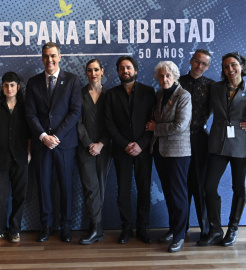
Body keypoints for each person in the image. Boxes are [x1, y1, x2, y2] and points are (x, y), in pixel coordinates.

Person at [25, 42, 82, 242]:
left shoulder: (73, 80)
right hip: (41, 144)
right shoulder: (33, 82)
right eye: (46, 56)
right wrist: (43, 136)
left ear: (60, 57)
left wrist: (56, 137)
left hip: (64, 144)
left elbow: (75, 112)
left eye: (53, 56)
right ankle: (46, 225)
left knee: (66, 186)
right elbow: (30, 113)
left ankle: (66, 226)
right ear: (42, 58)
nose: (49, 60)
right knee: (44, 185)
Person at [197, 52, 246, 247]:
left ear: (241, 66)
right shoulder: (215, 88)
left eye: (233, 65)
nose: (230, 69)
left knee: (238, 188)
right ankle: (215, 229)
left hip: (242, 145)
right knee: (208, 187)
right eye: (226, 66)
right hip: (218, 143)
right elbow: (203, 109)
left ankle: (232, 229)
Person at [105, 56, 155, 244]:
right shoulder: (111, 94)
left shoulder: (149, 92)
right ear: (117, 72)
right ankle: (126, 228)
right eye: (121, 68)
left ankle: (142, 228)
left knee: (144, 190)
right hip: (121, 151)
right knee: (123, 192)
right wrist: (125, 144)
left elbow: (153, 122)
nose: (125, 71)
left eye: (128, 67)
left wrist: (140, 144)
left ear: (135, 70)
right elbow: (109, 123)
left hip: (143, 150)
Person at [146, 61, 192, 252]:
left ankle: (180, 236)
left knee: (179, 195)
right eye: (161, 76)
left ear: (175, 77)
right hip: (160, 151)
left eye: (168, 76)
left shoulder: (184, 95)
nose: (164, 79)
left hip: (178, 152)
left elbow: (180, 125)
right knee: (169, 193)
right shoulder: (159, 94)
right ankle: (173, 229)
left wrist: (155, 128)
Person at [0, 72, 30, 243]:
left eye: (12, 85)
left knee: (20, 195)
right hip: (0, 159)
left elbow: (30, 134)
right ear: (2, 87)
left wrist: (29, 152)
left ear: (18, 87)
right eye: (6, 85)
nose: (9, 88)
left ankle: (14, 230)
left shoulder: (26, 108)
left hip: (21, 158)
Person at [179, 49, 214, 239]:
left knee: (200, 185)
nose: (199, 66)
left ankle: (205, 229)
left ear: (208, 66)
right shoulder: (178, 82)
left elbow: (227, 108)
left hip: (201, 140)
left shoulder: (212, 86)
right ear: (191, 61)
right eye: (197, 62)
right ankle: (181, 228)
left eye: (204, 64)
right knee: (181, 185)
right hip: (179, 140)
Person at [77, 59, 111, 245]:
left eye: (96, 70)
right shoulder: (79, 94)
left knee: (101, 186)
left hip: (104, 149)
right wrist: (89, 143)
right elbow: (77, 121)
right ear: (86, 73)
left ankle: (98, 229)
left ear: (102, 71)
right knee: (91, 188)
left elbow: (112, 123)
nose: (93, 73)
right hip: (85, 149)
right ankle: (95, 229)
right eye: (90, 70)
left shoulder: (110, 94)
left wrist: (101, 143)